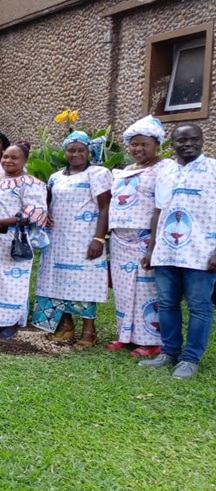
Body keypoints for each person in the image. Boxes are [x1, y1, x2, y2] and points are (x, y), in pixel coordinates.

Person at [140, 124, 216, 379]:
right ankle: (169, 352)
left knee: (199, 306)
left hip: (202, 252)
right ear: (172, 145)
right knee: (167, 304)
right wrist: (151, 249)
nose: (188, 144)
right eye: (182, 140)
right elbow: (158, 211)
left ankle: (190, 358)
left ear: (202, 141)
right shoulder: (166, 171)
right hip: (166, 251)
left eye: (194, 139)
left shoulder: (213, 169)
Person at [33, 131, 112, 347]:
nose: (75, 154)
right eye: (71, 150)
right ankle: (66, 326)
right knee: (57, 281)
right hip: (57, 239)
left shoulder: (98, 173)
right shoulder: (56, 177)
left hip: (84, 237)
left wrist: (99, 238)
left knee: (84, 283)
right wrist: (45, 214)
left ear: (88, 151)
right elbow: (49, 202)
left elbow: (105, 207)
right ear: (65, 152)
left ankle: (89, 331)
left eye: (80, 150)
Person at [107, 116, 172, 357]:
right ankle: (126, 335)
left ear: (157, 144)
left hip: (146, 237)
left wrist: (153, 245)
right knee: (123, 289)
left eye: (144, 144)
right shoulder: (126, 170)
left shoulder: (165, 168)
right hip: (119, 239)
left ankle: (151, 340)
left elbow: (163, 205)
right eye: (134, 144)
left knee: (147, 290)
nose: (138, 148)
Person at [0, 144, 49, 339]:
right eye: (5, 156)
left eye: (14, 158)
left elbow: (36, 213)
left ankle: (11, 323)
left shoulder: (31, 183)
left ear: (25, 160)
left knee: (10, 281)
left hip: (11, 239)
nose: (8, 161)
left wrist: (3, 222)